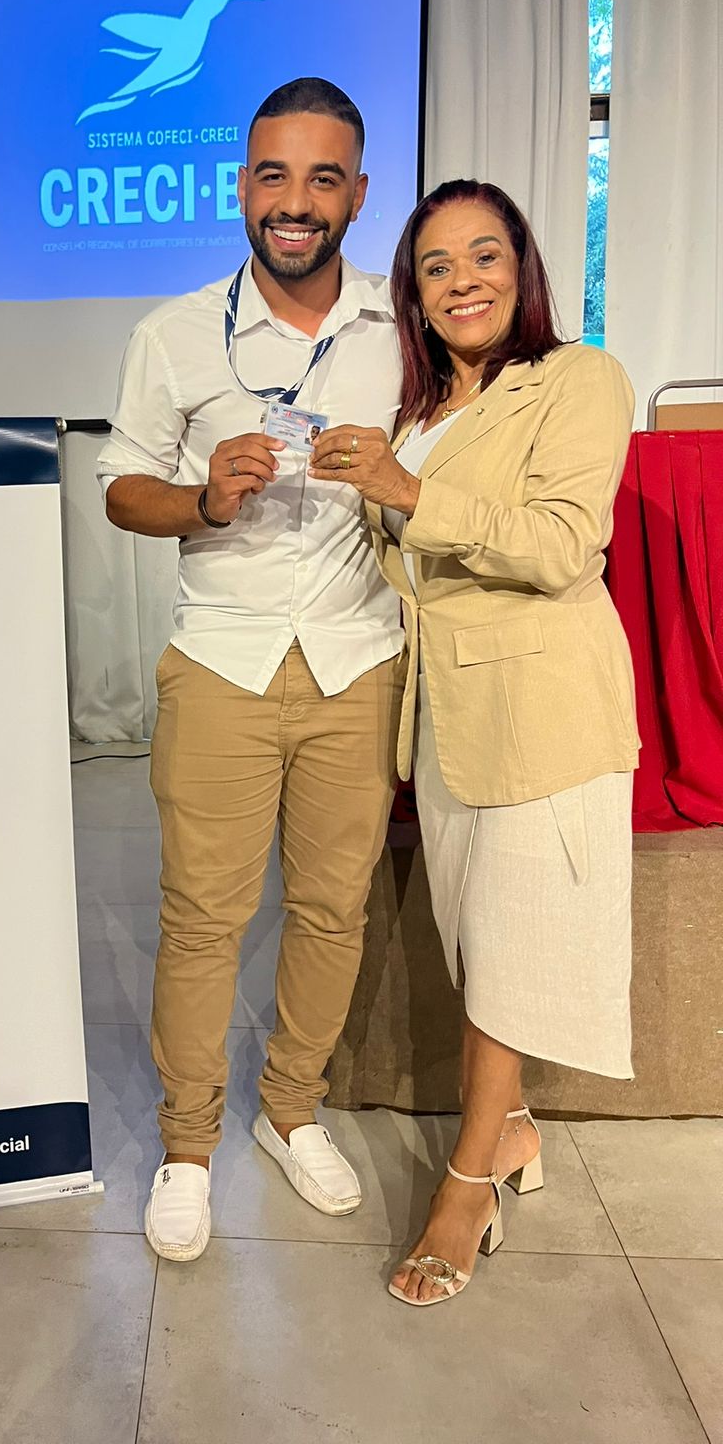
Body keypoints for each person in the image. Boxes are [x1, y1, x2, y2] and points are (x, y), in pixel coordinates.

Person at [309, 179, 638, 1305]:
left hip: (544, 708)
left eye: (484, 255)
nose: (463, 281)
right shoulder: (417, 410)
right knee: (476, 940)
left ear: (523, 266)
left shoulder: (577, 378)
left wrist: (405, 488)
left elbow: (561, 545)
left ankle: (465, 1185)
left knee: (505, 949)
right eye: (437, 266)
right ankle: (517, 1129)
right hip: (446, 716)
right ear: (414, 292)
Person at [98, 78, 406, 1263]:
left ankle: (290, 1111)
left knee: (332, 909)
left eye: (324, 178)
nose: (296, 201)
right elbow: (123, 488)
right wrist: (202, 498)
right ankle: (187, 1148)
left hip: (356, 660)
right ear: (241, 186)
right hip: (221, 661)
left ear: (358, 195)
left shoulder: (402, 331)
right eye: (274, 174)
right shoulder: (174, 331)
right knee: (203, 917)